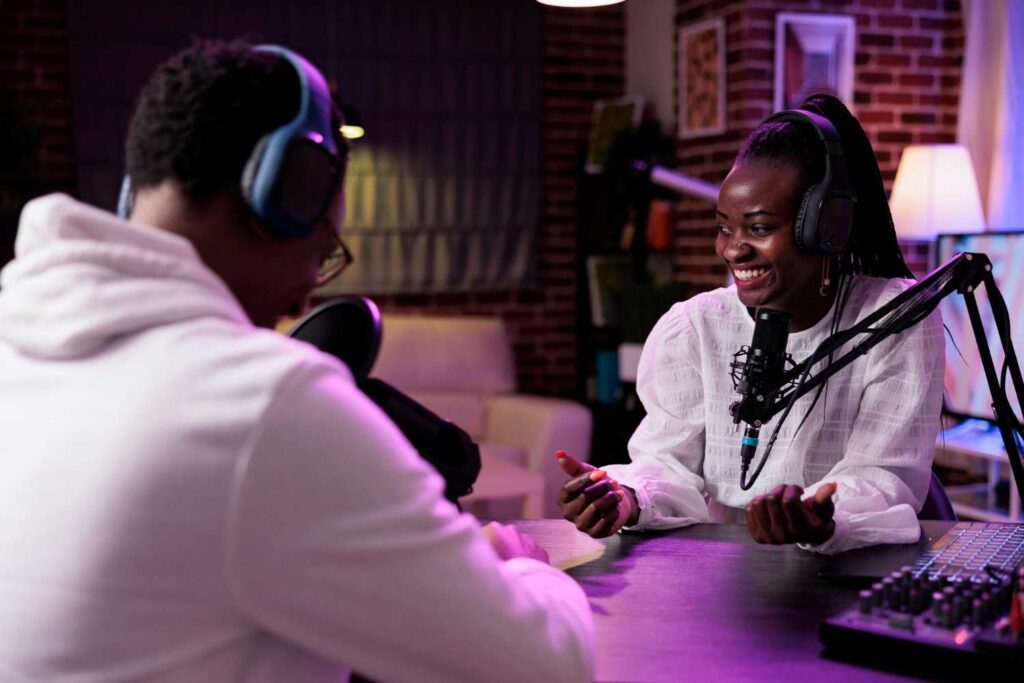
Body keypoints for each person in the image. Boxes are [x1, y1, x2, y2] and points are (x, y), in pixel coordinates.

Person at [0, 40, 593, 682]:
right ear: (286, 192)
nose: (309, 294)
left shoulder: (19, 355)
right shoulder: (262, 402)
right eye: (325, 246)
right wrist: (516, 559)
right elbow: (546, 665)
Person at [557, 94, 945, 555]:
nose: (732, 250)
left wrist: (816, 516)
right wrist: (626, 498)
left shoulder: (893, 319)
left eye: (759, 229)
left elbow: (883, 476)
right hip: (721, 578)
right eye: (725, 227)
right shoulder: (695, 326)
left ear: (826, 228)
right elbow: (669, 465)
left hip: (843, 571)